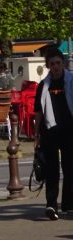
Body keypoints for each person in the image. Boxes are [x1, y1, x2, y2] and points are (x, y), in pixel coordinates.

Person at [34, 46, 73, 220]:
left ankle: (69, 204)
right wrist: (36, 135)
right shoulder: (43, 85)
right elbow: (38, 112)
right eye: (52, 64)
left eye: (58, 63)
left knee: (70, 168)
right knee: (51, 170)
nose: (56, 67)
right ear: (48, 66)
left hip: (69, 130)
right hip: (50, 130)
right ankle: (51, 204)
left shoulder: (71, 81)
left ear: (63, 63)